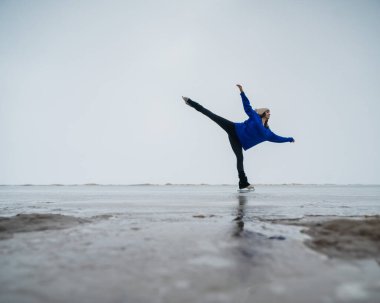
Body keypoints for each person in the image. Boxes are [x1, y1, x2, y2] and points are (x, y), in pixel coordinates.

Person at [182, 84, 295, 191]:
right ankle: (190, 102)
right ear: (263, 113)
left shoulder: (267, 133)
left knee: (240, 158)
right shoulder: (255, 117)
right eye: (267, 111)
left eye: (269, 112)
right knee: (212, 115)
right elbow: (247, 106)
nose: (269, 113)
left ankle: (243, 183)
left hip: (237, 140)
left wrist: (289, 139)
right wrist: (242, 92)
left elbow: (277, 138)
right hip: (233, 128)